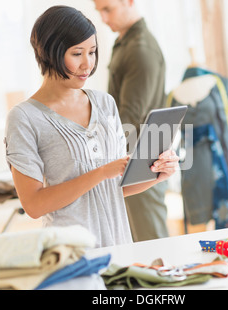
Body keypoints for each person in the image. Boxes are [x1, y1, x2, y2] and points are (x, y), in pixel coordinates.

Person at [4, 6, 179, 248]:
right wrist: (101, 172)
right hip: (72, 255)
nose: (87, 64)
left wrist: (158, 174)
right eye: (77, 53)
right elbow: (34, 205)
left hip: (120, 250)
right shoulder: (24, 117)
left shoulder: (105, 103)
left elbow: (115, 188)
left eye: (93, 52)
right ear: (49, 52)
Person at [94, 0, 170, 241]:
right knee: (135, 243)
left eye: (108, 9)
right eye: (100, 12)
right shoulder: (125, 42)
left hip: (141, 158)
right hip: (129, 156)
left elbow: (129, 116)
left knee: (151, 244)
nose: (104, 19)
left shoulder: (140, 49)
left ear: (129, 2)